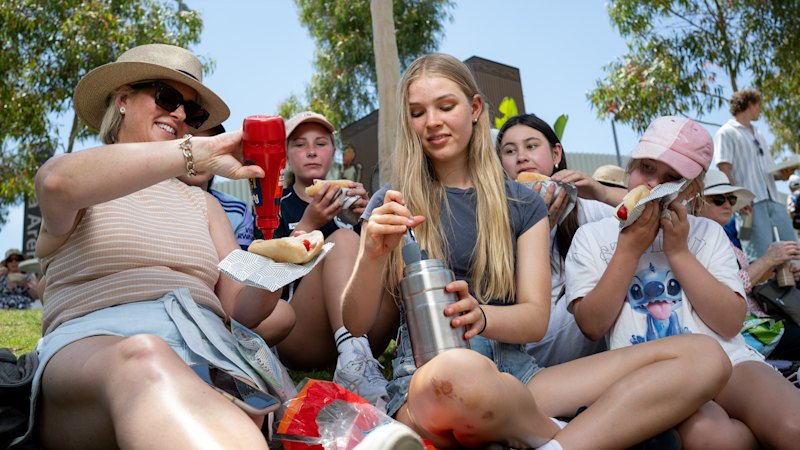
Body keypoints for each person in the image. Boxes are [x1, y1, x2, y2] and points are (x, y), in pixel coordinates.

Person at [343, 53, 730, 450]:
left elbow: (533, 321)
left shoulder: (522, 203)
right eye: (418, 112)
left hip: (520, 376)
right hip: (433, 381)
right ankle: (562, 434)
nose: (433, 122)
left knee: (704, 356)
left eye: (446, 106)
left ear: (475, 108)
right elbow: (355, 325)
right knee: (460, 375)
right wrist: (371, 254)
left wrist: (482, 314)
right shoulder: (392, 203)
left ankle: (549, 443)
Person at [20, 44, 283, 449]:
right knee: (146, 357)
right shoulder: (86, 181)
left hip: (204, 352)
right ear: (122, 100)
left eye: (192, 113)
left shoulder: (205, 204)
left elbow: (240, 307)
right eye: (167, 97)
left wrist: (279, 265)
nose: (180, 115)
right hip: (96, 354)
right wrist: (198, 152)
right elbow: (54, 183)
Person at [567, 116, 800, 449]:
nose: (654, 184)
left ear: (692, 189)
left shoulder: (707, 233)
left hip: (729, 358)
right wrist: (629, 250)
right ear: (629, 168)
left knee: (793, 426)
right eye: (646, 168)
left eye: (672, 178)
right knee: (715, 438)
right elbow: (592, 324)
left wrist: (679, 252)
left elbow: (731, 322)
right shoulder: (592, 236)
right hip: (652, 373)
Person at [254, 111, 392, 405]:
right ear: (287, 155)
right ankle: (353, 356)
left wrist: (367, 223)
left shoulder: (352, 203)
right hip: (300, 336)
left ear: (334, 152)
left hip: (365, 332)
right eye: (300, 144)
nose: (312, 151)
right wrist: (309, 224)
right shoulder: (273, 205)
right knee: (341, 240)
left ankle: (403, 357)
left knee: (392, 247)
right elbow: (264, 285)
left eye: (321, 143)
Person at [496, 114, 613, 366]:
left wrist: (601, 191)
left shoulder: (585, 208)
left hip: (581, 350)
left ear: (556, 154)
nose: (521, 157)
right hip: (521, 350)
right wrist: (535, 229)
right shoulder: (493, 216)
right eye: (509, 150)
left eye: (531, 146)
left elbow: (645, 213)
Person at [695, 170, 800, 361]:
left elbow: (746, 282)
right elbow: (726, 291)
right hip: (747, 331)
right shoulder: (697, 243)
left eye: (731, 199)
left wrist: (775, 275)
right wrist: (767, 260)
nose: (727, 205)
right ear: (697, 203)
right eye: (718, 199)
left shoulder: (724, 239)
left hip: (763, 322)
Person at [714, 89, 796, 260]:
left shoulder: (759, 134)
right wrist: (736, 199)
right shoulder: (726, 132)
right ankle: (762, 287)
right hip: (750, 204)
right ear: (749, 104)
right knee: (759, 256)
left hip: (774, 200)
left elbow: (768, 171)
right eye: (758, 105)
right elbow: (724, 167)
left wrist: (783, 174)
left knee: (793, 249)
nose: (760, 109)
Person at [182, 123, 255, 250]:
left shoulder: (238, 211)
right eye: (190, 147)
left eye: (209, 149)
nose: (199, 157)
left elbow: (239, 266)